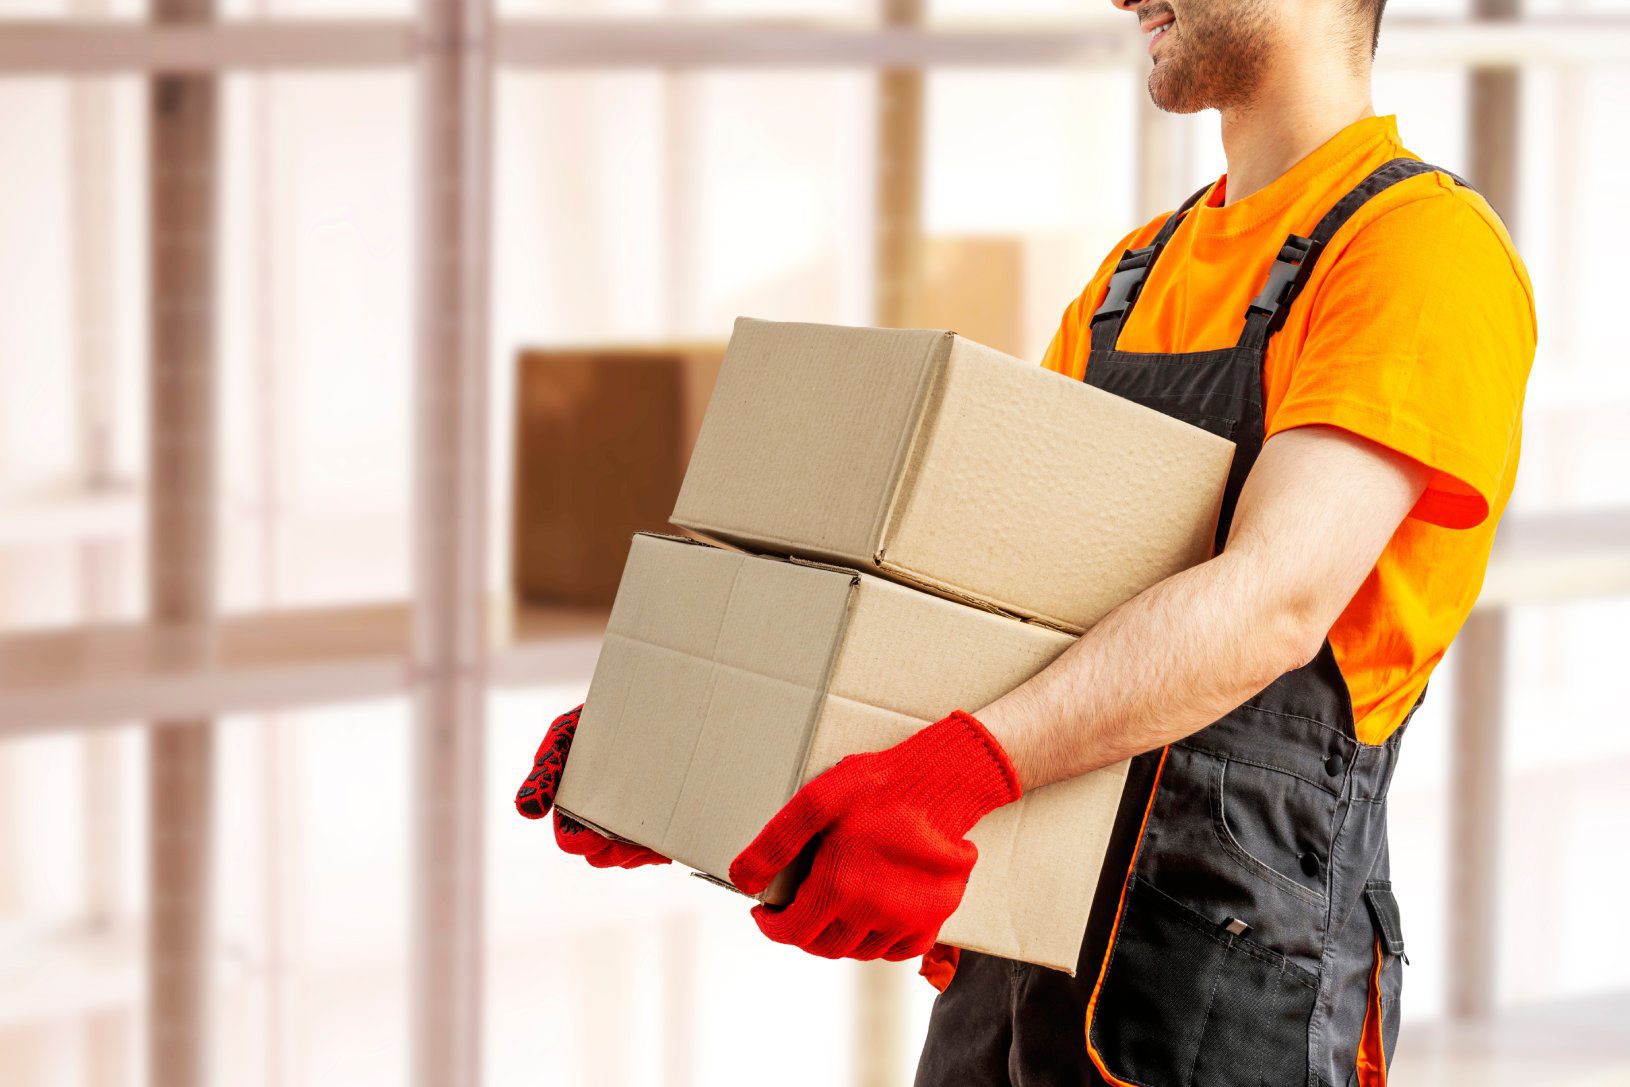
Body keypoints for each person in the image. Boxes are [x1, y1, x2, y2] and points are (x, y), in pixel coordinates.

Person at [516, 0, 1536, 1078]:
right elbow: (980, 602)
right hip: (1016, 952)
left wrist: (957, 773)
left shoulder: (1418, 249)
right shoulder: (1135, 274)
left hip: (1226, 976)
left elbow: (1272, 601)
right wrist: (705, 749)